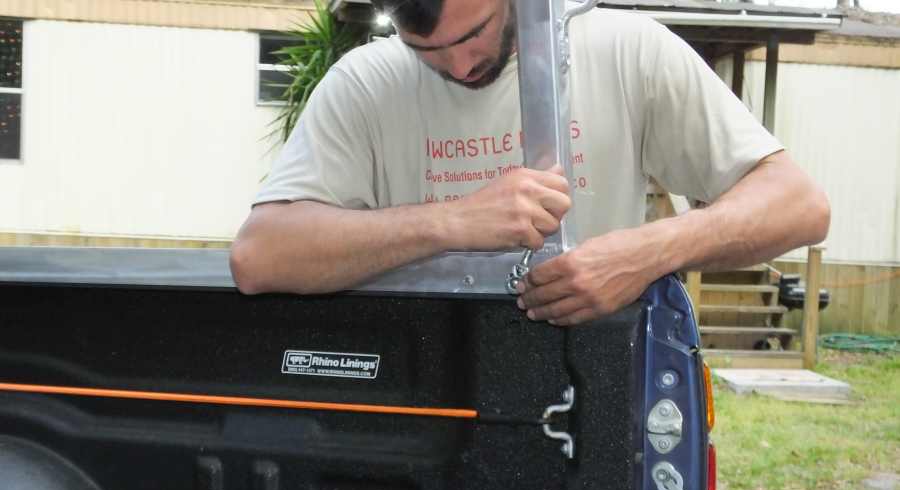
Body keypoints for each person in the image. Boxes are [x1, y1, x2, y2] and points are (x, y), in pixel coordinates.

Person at [230, 0, 829, 326]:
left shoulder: (626, 50)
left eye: (476, 33)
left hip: (590, 384)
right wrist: (451, 221)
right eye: (428, 52)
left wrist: (646, 254)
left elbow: (798, 206)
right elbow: (261, 256)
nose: (461, 67)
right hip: (428, 388)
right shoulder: (366, 83)